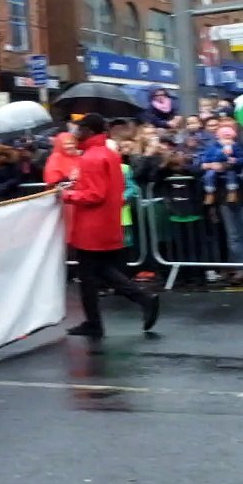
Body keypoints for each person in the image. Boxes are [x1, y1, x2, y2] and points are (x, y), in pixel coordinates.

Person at [61, 114, 160, 339]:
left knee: (89, 274)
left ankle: (103, 318)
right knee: (101, 271)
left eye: (78, 130)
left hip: (91, 225)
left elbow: (95, 194)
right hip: (107, 221)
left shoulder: (91, 157)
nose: (75, 135)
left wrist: (67, 194)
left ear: (88, 130)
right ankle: (137, 301)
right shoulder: (108, 154)